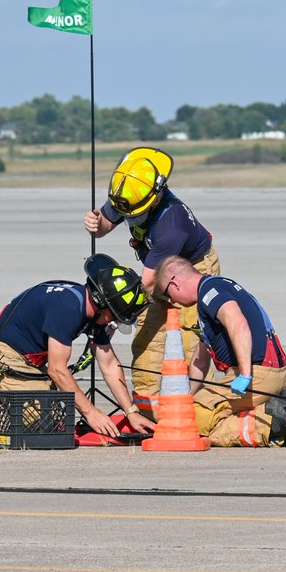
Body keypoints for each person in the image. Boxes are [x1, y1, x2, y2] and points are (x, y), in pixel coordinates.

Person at [0, 254, 158, 443]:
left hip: (27, 361)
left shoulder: (91, 308)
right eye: (115, 318)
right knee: (36, 422)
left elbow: (108, 364)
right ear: (103, 305)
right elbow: (58, 370)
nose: (114, 324)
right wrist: (91, 413)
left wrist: (131, 412)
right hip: (4, 357)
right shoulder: (68, 308)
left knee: (55, 419)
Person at [83, 147, 220, 419]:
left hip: (192, 274)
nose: (130, 219)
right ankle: (148, 415)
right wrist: (95, 224)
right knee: (146, 343)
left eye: (135, 215)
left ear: (155, 198)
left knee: (192, 348)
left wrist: (111, 319)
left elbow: (145, 284)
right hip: (154, 271)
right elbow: (106, 224)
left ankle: (197, 414)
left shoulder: (171, 225)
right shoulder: (130, 191)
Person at [154, 256, 286, 447]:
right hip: (273, 374)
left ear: (175, 283)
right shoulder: (218, 289)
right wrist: (185, 396)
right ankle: (273, 411)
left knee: (190, 420)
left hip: (257, 375)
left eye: (167, 294)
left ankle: (271, 425)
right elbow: (201, 359)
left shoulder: (210, 292)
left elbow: (237, 323)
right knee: (187, 409)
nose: (172, 301)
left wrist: (245, 375)